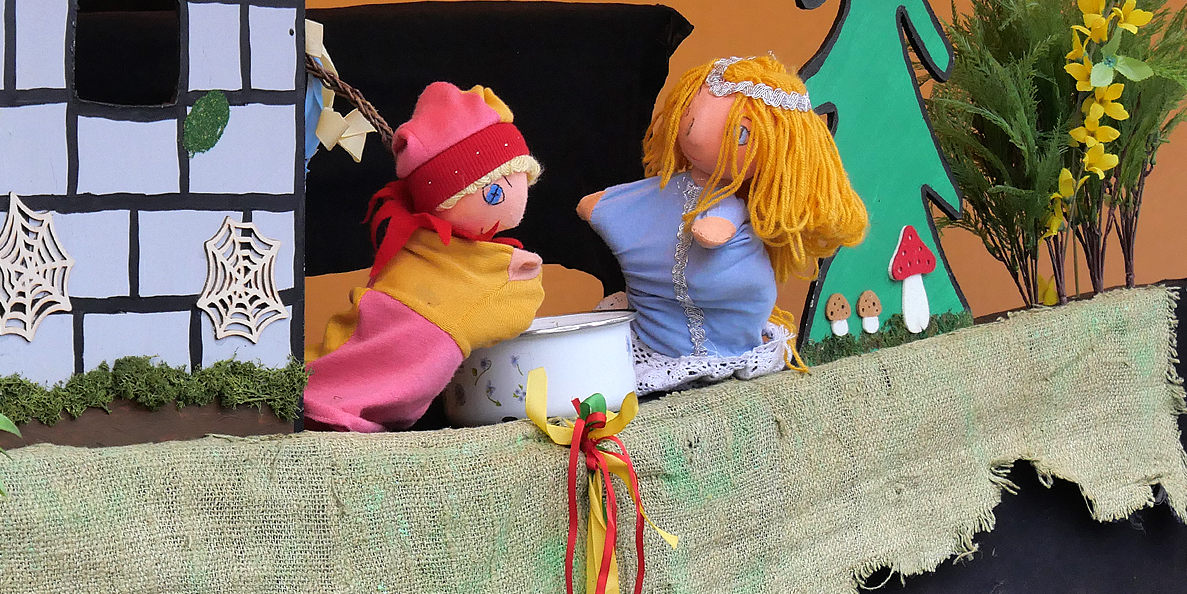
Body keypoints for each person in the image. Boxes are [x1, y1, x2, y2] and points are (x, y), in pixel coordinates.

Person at [579, 56, 866, 394]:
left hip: (726, 317)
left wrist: (719, 225)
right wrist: (603, 206)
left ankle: (718, 349)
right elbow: (640, 201)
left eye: (742, 133)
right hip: (654, 326)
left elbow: (719, 227)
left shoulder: (733, 205)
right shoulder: (669, 189)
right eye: (689, 113)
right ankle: (656, 334)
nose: (695, 130)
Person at [304, 82, 545, 431]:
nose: (518, 203)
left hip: (329, 383)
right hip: (347, 405)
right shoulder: (497, 272)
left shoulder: (416, 247)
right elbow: (520, 304)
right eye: (495, 192)